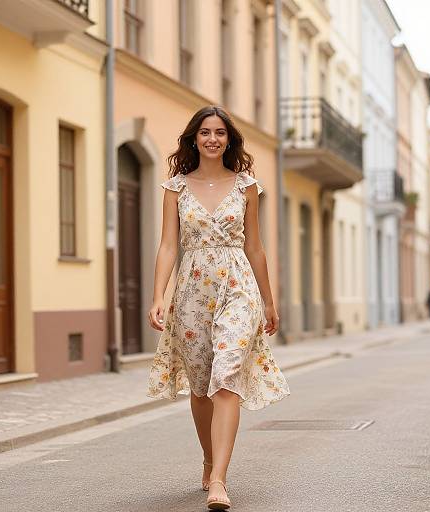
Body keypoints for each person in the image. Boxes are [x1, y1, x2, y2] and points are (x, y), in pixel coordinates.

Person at [147, 105, 290, 510]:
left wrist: (268, 301)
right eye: (206, 132)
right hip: (191, 290)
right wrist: (158, 295)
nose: (213, 139)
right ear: (194, 138)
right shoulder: (175, 188)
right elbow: (168, 245)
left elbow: (255, 247)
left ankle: (219, 481)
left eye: (221, 133)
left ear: (230, 140)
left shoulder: (247, 186)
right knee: (199, 385)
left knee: (226, 375)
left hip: (237, 286)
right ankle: (209, 459)